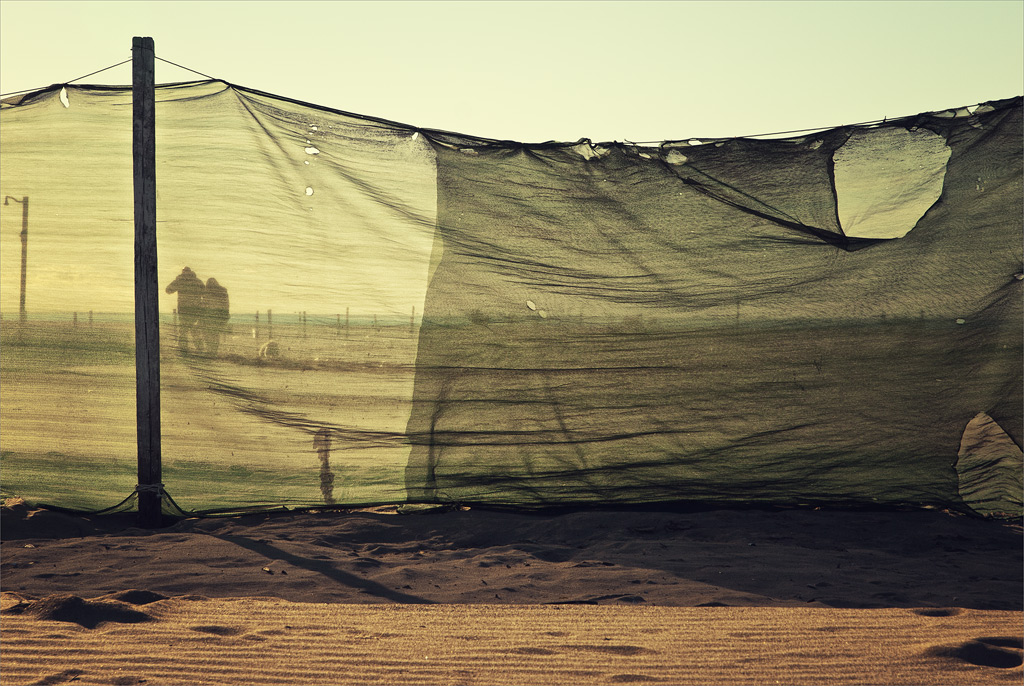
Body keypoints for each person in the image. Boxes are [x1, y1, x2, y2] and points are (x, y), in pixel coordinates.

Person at [165, 267, 205, 353]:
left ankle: (183, 348)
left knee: (184, 328)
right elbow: (205, 293)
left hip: (184, 308)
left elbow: (168, 290)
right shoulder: (197, 281)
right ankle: (199, 347)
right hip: (196, 308)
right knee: (193, 328)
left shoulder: (180, 280)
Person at [200, 277, 230, 355]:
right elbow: (226, 305)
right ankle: (213, 351)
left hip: (208, 316)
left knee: (207, 333)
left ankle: (210, 350)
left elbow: (204, 304)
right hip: (218, 316)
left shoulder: (206, 292)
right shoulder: (223, 291)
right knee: (215, 334)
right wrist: (225, 315)